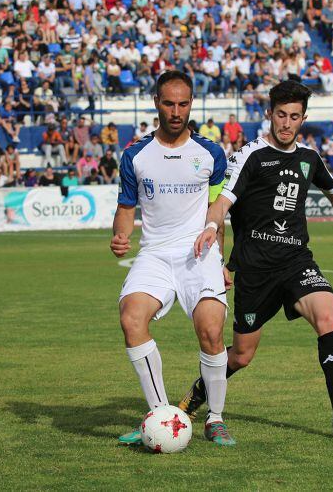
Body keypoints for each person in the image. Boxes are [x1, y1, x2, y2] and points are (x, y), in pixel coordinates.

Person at [179, 80, 333, 438]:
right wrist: (212, 227)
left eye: (294, 117)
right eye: (281, 115)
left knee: (328, 313)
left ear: (303, 118)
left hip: (296, 261)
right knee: (241, 356)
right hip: (255, 270)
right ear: (269, 114)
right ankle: (197, 394)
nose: (287, 123)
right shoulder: (250, 156)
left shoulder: (309, 158)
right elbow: (223, 202)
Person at [111, 71, 233, 447]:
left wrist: (224, 260)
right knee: (132, 318)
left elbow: (219, 211)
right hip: (155, 254)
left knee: (211, 331)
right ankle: (160, 414)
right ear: (156, 103)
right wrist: (120, 235)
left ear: (191, 104)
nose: (176, 111)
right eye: (169, 103)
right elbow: (126, 207)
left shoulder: (210, 153)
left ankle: (215, 417)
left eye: (183, 103)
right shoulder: (135, 155)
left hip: (200, 254)